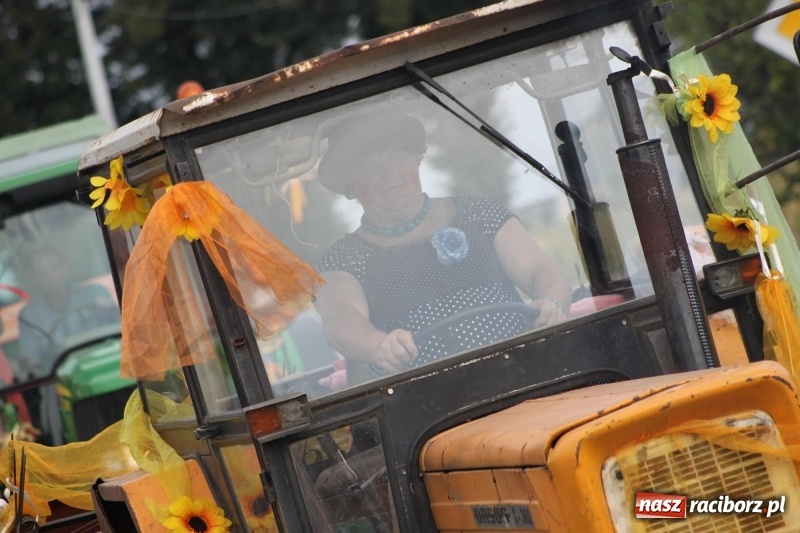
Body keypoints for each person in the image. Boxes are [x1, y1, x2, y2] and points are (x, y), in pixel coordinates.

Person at [314, 113, 572, 380]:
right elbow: (340, 319)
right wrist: (378, 345)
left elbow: (540, 270)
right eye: (370, 166)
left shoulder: (477, 212)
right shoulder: (342, 259)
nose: (388, 174)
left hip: (528, 373)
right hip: (427, 403)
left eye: (397, 157)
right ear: (351, 186)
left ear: (417, 160)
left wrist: (551, 303)